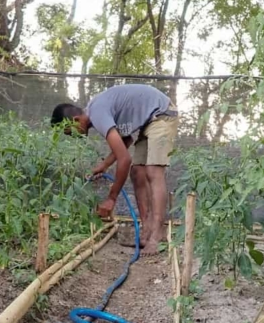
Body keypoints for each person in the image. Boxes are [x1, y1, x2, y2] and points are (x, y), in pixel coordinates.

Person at [51, 84, 179, 256]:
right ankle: (147, 229)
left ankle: (157, 235)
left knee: (153, 171)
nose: (72, 136)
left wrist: (111, 198)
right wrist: (104, 165)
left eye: (69, 132)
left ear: (75, 120)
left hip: (161, 115)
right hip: (148, 121)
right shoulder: (97, 111)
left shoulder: (97, 113)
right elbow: (125, 142)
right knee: (137, 172)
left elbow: (124, 159)